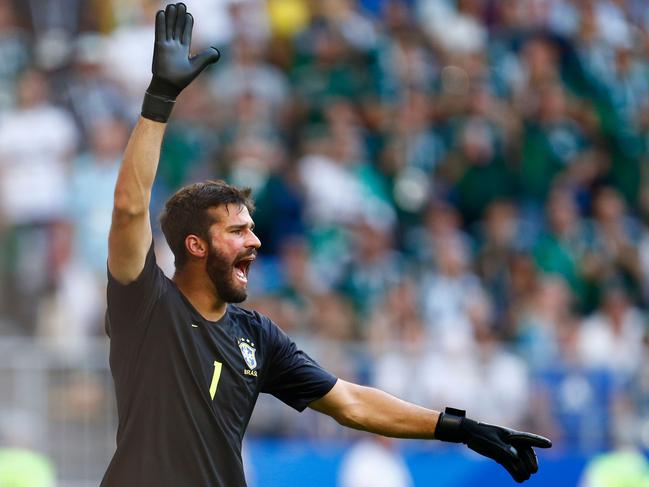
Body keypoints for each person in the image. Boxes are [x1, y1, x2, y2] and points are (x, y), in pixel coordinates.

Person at [101, 3, 552, 486]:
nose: (254, 241)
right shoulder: (146, 304)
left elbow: (351, 402)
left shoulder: (256, 336)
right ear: (194, 245)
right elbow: (129, 209)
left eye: (252, 229)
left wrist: (461, 427)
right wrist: (160, 98)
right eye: (236, 232)